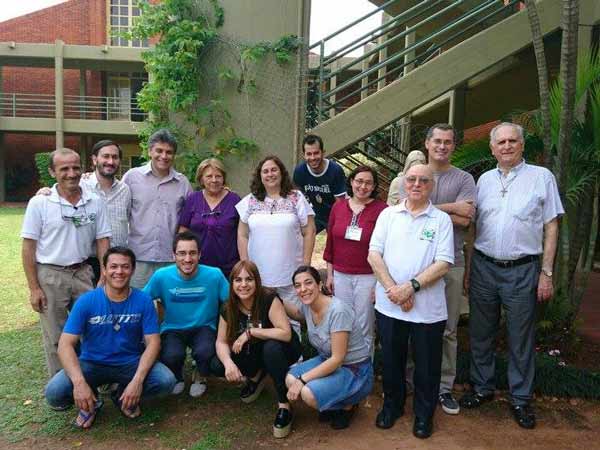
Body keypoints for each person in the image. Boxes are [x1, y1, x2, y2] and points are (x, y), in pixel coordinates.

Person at [460, 122, 563, 430]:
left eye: (512, 141)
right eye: (501, 142)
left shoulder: (541, 177)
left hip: (522, 269)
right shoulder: (483, 181)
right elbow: (473, 228)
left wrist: (546, 272)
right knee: (481, 332)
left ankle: (520, 398)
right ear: (492, 148)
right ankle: (482, 387)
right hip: (484, 266)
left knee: (520, 337)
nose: (506, 146)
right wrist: (469, 268)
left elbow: (551, 226)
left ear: (522, 145)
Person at [44, 247, 176, 429]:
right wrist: (79, 383)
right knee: (54, 393)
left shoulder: (143, 300)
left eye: (125, 266)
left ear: (132, 270)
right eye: (113, 266)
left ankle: (121, 395)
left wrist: (137, 382)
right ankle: (92, 402)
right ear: (104, 270)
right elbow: (65, 344)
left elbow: (153, 343)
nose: (119, 271)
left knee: (166, 381)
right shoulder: (86, 301)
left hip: (130, 363)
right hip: (91, 363)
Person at [368, 164, 454, 439]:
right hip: (389, 305)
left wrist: (410, 288)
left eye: (424, 180)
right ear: (404, 183)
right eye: (412, 179)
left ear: (432, 185)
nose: (417, 184)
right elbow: (373, 255)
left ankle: (424, 414)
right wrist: (394, 290)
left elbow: (444, 262)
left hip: (427, 310)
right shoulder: (388, 215)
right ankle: (392, 407)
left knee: (427, 366)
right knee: (392, 361)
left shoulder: (441, 220)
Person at [396, 124, 476, 415]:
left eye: (448, 142)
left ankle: (443, 387)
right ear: (427, 144)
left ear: (454, 146)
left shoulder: (464, 178)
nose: (442, 146)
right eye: (437, 141)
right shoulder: (412, 175)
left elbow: (466, 220)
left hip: (451, 263)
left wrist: (426, 208)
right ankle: (410, 382)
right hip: (413, 265)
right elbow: (404, 210)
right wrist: (452, 207)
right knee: (409, 326)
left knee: (448, 330)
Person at [21, 148, 111, 377]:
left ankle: (94, 379)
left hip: (83, 273)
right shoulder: (39, 203)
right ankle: (62, 386)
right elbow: (28, 247)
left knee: (94, 328)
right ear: (52, 172)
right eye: (64, 169)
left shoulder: (95, 201)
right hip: (50, 275)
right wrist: (34, 288)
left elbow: (103, 240)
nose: (71, 173)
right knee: (56, 336)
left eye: (75, 167)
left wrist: (104, 275)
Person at [212, 260, 302, 438]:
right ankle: (257, 375)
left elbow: (285, 333)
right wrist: (229, 363)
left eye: (249, 279)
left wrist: (250, 332)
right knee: (217, 364)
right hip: (254, 351)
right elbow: (221, 342)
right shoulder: (228, 306)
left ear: (257, 281)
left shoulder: (268, 299)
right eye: (238, 280)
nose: (243, 285)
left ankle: (284, 405)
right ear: (232, 284)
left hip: (283, 348)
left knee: (271, 349)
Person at [285, 266, 373, 431]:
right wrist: (275, 297)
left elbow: (337, 359)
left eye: (308, 283)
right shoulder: (308, 306)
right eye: (298, 285)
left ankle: (348, 405)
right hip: (327, 360)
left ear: (319, 285)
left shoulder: (338, 311)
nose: (303, 289)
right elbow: (297, 313)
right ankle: (331, 403)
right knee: (290, 379)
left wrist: (302, 380)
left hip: (355, 370)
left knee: (307, 392)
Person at [144, 231, 229, 398]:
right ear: (173, 255)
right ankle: (177, 375)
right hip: (173, 327)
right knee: (171, 355)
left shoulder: (215, 275)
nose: (188, 259)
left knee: (205, 351)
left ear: (200, 254)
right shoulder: (161, 276)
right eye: (182, 253)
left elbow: (231, 302)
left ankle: (201, 374)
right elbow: (142, 300)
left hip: (204, 326)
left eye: (192, 253)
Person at [36, 140, 131, 284]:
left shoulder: (125, 190)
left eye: (115, 157)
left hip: (119, 262)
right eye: (105, 156)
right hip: (88, 263)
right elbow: (58, 191)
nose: (110, 161)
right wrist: (44, 192)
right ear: (94, 159)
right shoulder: (80, 185)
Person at [236, 155, 316, 320]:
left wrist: (306, 264)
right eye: (265, 171)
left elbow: (309, 231)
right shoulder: (250, 201)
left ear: (281, 173)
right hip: (259, 274)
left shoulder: (296, 198)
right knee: (263, 318)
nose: (270, 174)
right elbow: (242, 235)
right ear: (260, 176)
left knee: (296, 318)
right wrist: (245, 264)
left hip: (291, 272)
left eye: (274, 170)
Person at [323, 166, 387, 355]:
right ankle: (344, 362)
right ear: (351, 182)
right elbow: (330, 243)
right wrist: (330, 274)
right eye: (359, 181)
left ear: (374, 186)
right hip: (340, 275)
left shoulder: (383, 210)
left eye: (368, 183)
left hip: (368, 277)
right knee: (343, 321)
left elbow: (387, 249)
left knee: (364, 323)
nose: (363, 186)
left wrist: (380, 283)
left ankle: (364, 366)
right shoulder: (338, 207)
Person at [123, 129, 193, 288]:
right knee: (138, 300)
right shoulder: (132, 177)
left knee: (170, 301)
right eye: (159, 151)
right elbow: (116, 206)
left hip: (170, 258)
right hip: (138, 257)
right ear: (150, 151)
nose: (164, 156)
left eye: (169, 152)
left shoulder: (182, 183)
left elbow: (191, 216)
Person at [178, 158, 240, 278]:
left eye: (218, 176)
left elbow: (243, 233)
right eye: (209, 176)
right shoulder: (193, 199)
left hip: (228, 268)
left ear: (223, 178)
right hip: (197, 267)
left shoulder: (235, 200)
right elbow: (183, 231)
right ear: (201, 179)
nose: (214, 180)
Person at [293, 134, 346, 233]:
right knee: (300, 234)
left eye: (316, 153)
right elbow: (297, 199)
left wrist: (338, 225)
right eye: (309, 154)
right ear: (304, 155)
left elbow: (341, 203)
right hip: (314, 213)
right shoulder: (300, 171)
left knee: (336, 237)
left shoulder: (335, 170)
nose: (312, 157)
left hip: (333, 213)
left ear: (323, 153)